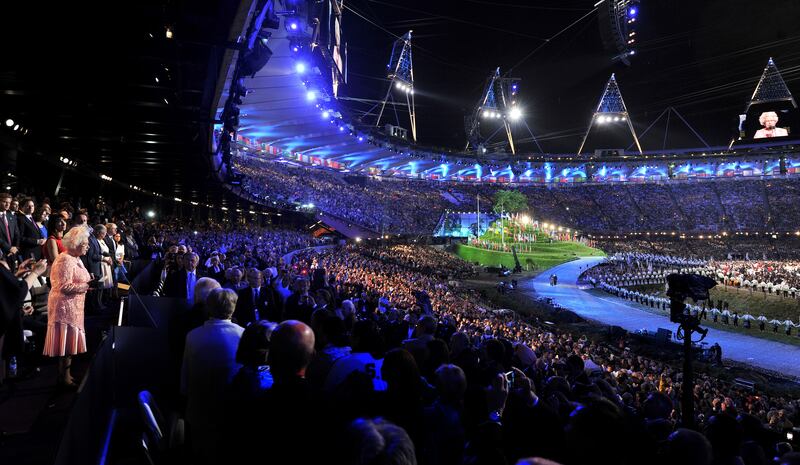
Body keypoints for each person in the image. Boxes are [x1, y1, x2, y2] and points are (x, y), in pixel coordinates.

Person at [42, 227, 99, 387]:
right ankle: (64, 378)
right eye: (86, 244)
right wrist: (87, 285)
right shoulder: (65, 259)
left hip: (74, 306)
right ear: (76, 243)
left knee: (68, 345)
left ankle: (65, 375)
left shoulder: (76, 258)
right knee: (65, 345)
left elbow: (79, 279)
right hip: (64, 308)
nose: (88, 246)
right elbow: (64, 287)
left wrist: (89, 280)